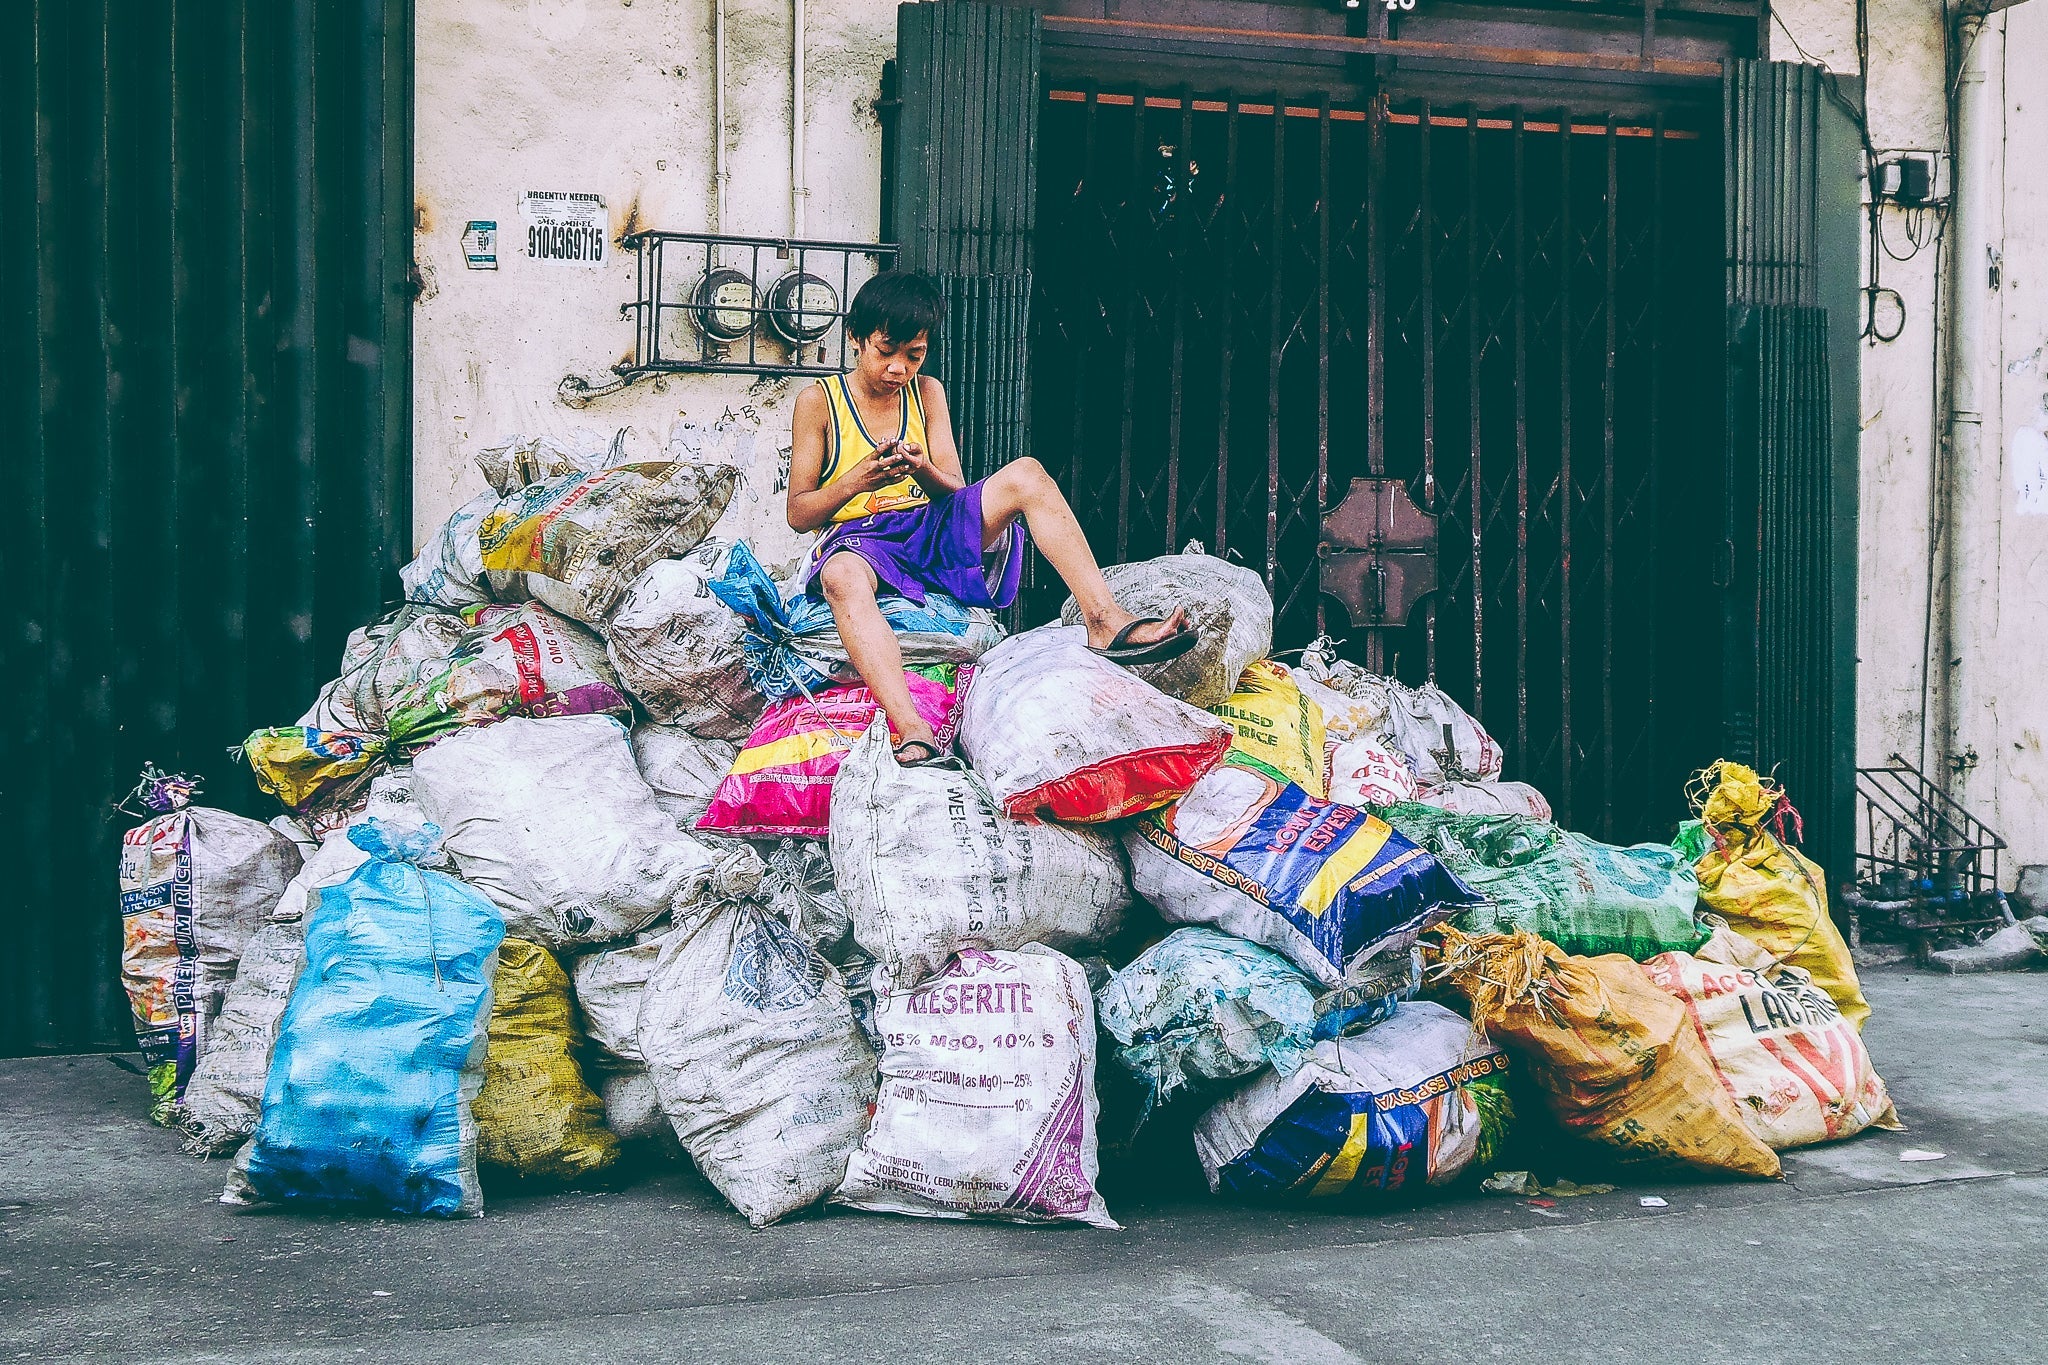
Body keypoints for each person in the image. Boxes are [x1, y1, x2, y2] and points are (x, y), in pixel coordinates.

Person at [788, 269, 1195, 765]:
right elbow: (799, 513)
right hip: (861, 539)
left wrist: (921, 468)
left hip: (927, 528)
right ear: (855, 338)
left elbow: (955, 490)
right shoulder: (818, 402)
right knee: (839, 574)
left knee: (1026, 473)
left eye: (913, 356)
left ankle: (1104, 620)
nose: (898, 368)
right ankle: (911, 726)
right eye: (886, 351)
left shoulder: (927, 393)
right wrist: (858, 480)